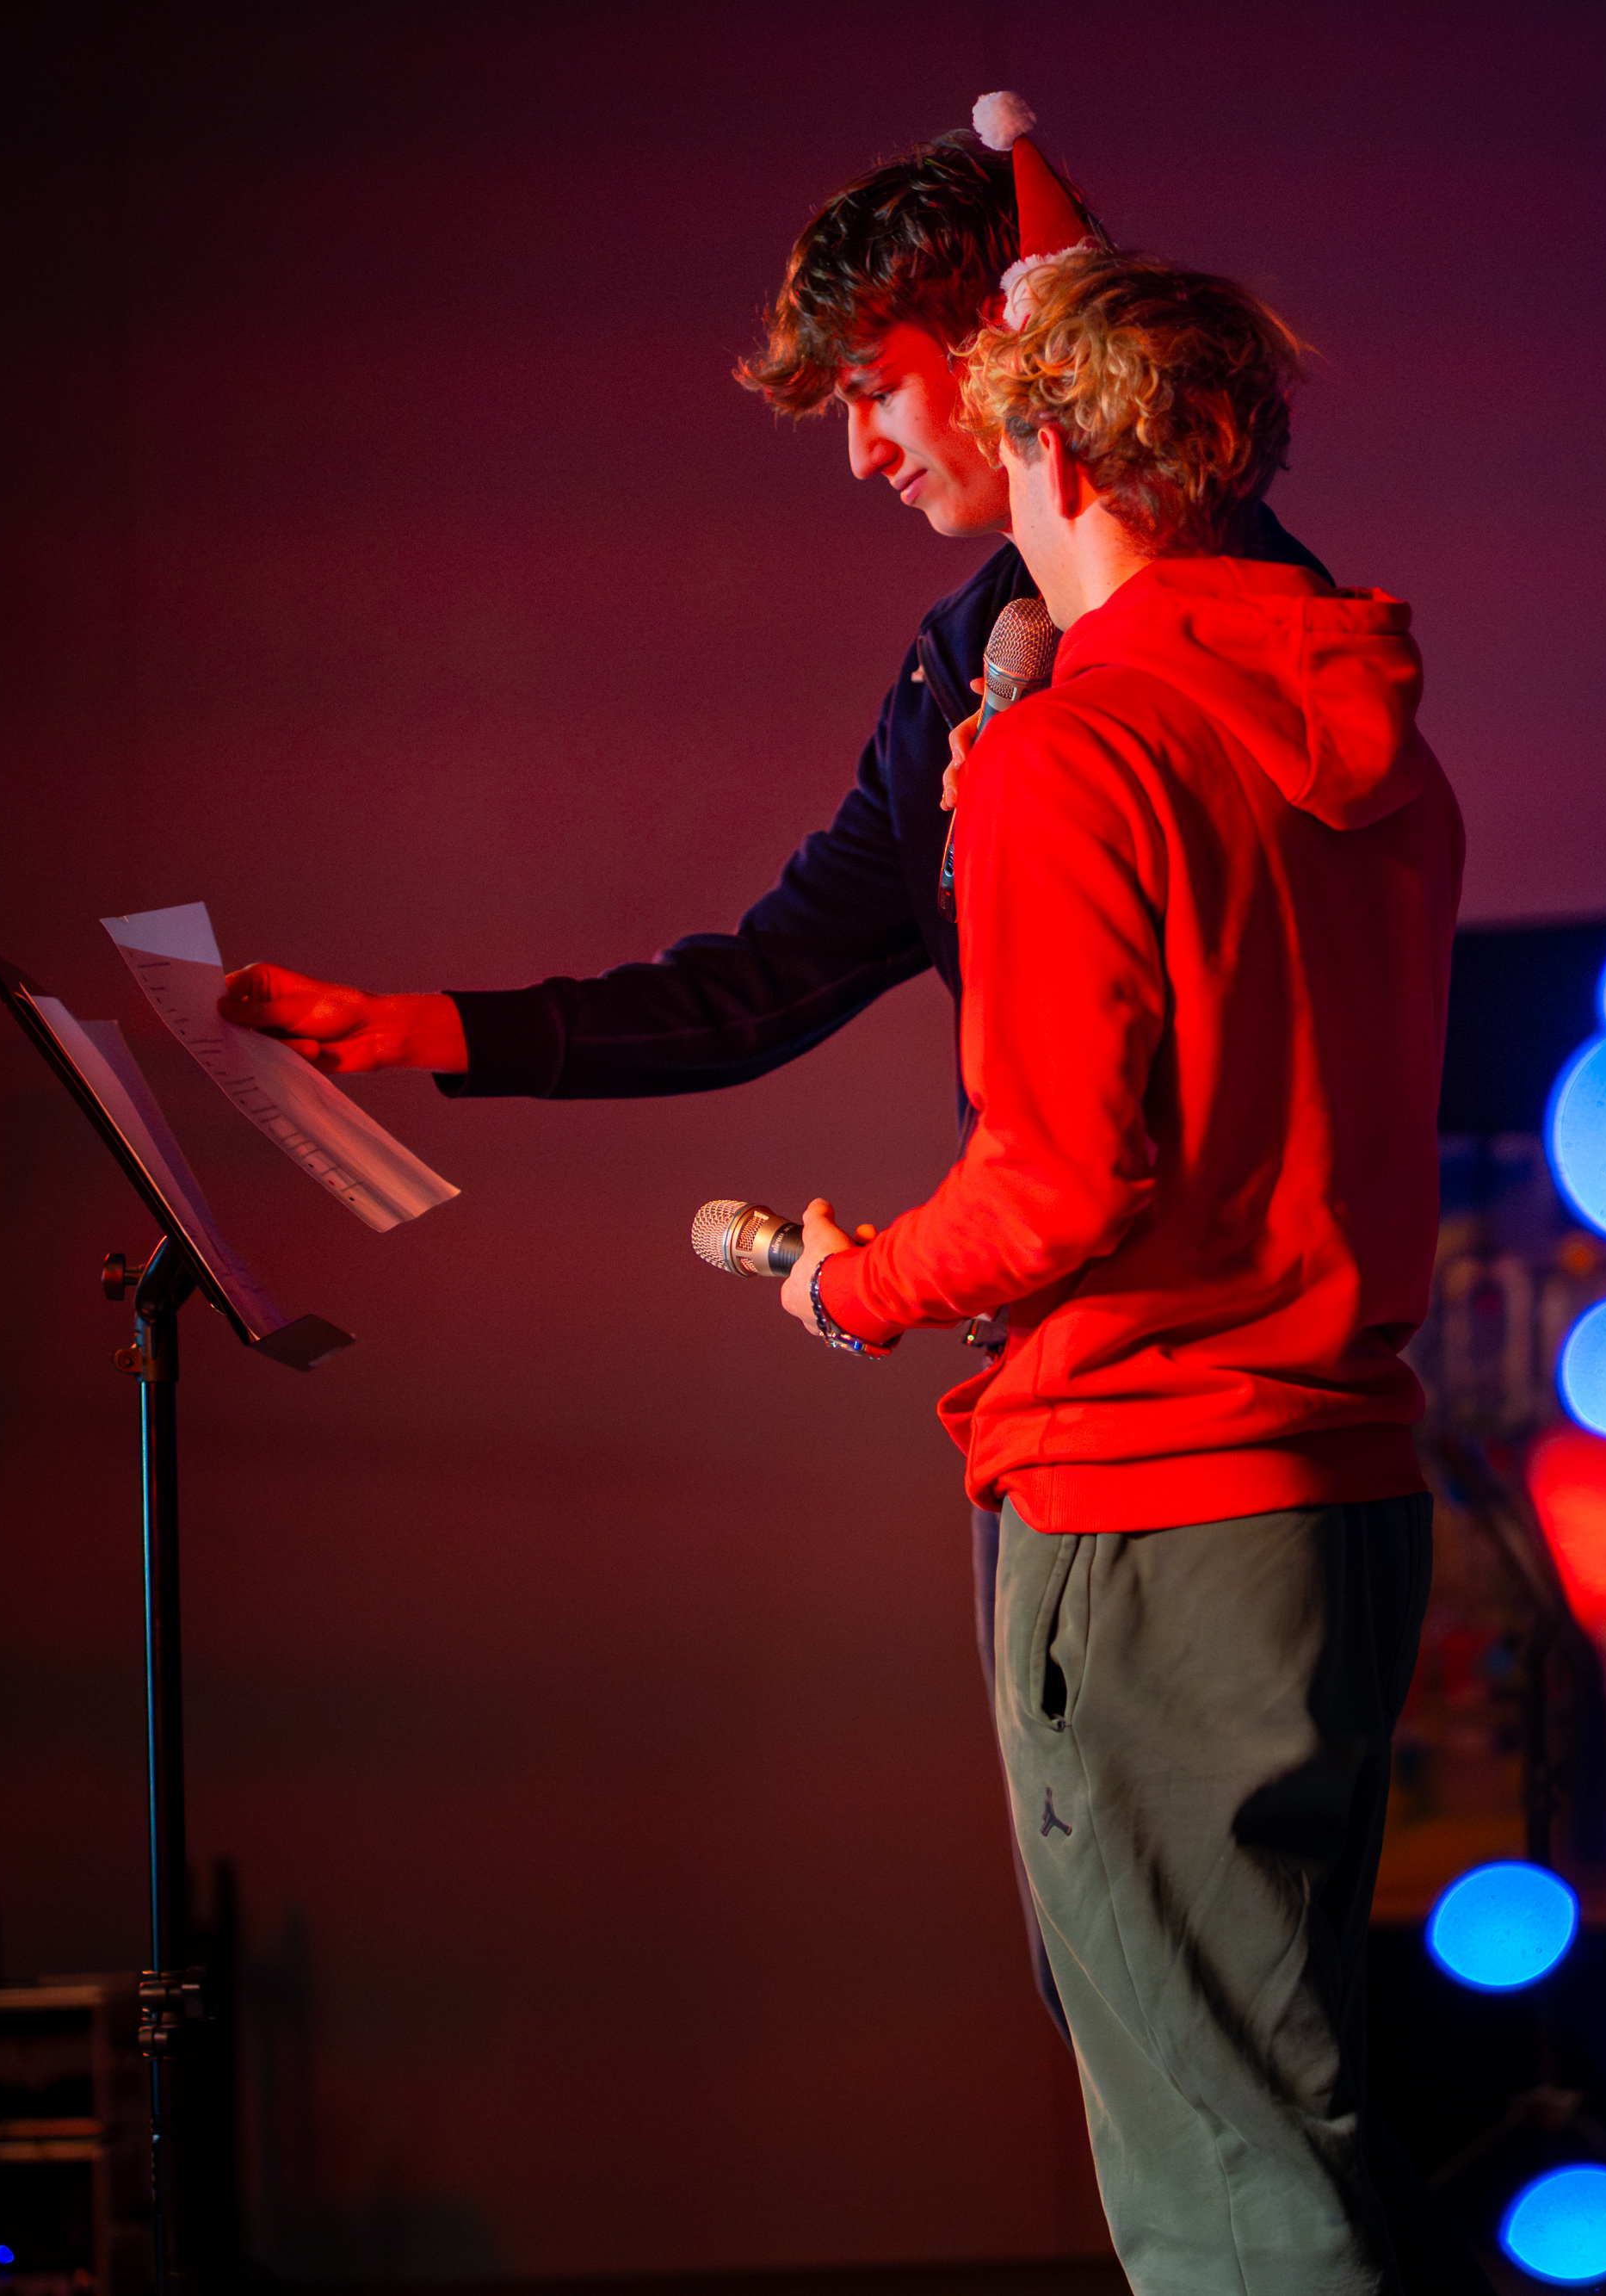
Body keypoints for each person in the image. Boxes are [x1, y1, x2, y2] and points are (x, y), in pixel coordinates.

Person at [212, 97, 1323, 2025]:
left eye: (876, 389)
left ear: (1011, 346)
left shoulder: (1206, 659)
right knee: (1172, 2047)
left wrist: (862, 1288)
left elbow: (1078, 1168)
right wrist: (432, 1030)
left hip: (1178, 1439)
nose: (861, 451)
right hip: (1093, 1429)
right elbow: (772, 975)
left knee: (1209, 2071)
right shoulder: (983, 669)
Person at [773, 245, 1464, 2296]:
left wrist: (853, 1284)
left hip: (1151, 1505)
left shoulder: (1070, 750)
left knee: (1221, 2180)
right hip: (1342, 1496)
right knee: (1294, 2114)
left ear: (1050, 451)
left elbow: (1059, 1183)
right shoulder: (1372, 736)